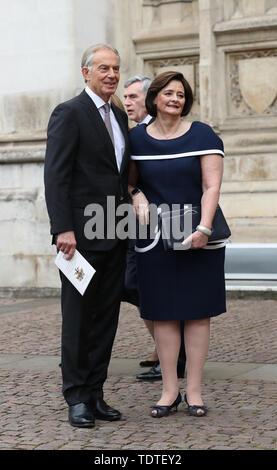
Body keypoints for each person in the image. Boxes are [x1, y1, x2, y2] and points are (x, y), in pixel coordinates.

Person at [128, 71, 226, 418]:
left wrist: (203, 228)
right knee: (163, 314)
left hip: (199, 234)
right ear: (154, 98)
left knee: (198, 313)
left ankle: (195, 392)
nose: (175, 99)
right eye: (168, 93)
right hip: (153, 237)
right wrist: (136, 195)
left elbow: (211, 186)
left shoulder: (202, 134)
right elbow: (127, 182)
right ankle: (170, 391)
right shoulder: (135, 139)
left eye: (181, 95)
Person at [44, 44, 130, 428]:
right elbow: (56, 175)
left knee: (106, 320)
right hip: (78, 239)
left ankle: (95, 394)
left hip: (115, 232)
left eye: (115, 68)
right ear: (86, 72)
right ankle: (76, 397)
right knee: (78, 320)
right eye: (103, 68)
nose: (111, 74)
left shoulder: (120, 116)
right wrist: (63, 228)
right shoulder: (69, 112)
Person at [123, 75, 186, 381]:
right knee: (136, 286)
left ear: (150, 98)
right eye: (126, 97)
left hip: (168, 224)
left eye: (133, 97)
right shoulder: (134, 133)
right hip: (135, 225)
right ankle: (164, 348)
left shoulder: (161, 132)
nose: (127, 102)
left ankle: (172, 353)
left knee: (144, 286)